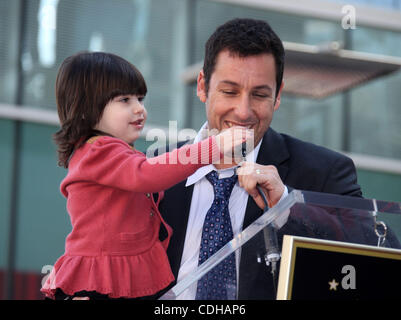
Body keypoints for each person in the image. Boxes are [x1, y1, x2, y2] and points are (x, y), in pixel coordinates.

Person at [157, 18, 366, 300]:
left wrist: (287, 205)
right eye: (229, 92)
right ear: (203, 87)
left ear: (277, 96)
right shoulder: (153, 169)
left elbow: (375, 251)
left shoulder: (324, 171)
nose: (243, 112)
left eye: (259, 94)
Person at [40, 51, 252, 300]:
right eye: (125, 100)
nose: (139, 109)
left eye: (140, 99)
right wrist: (212, 147)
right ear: (86, 107)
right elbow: (147, 175)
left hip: (115, 271)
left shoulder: (111, 151)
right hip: (100, 279)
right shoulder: (98, 150)